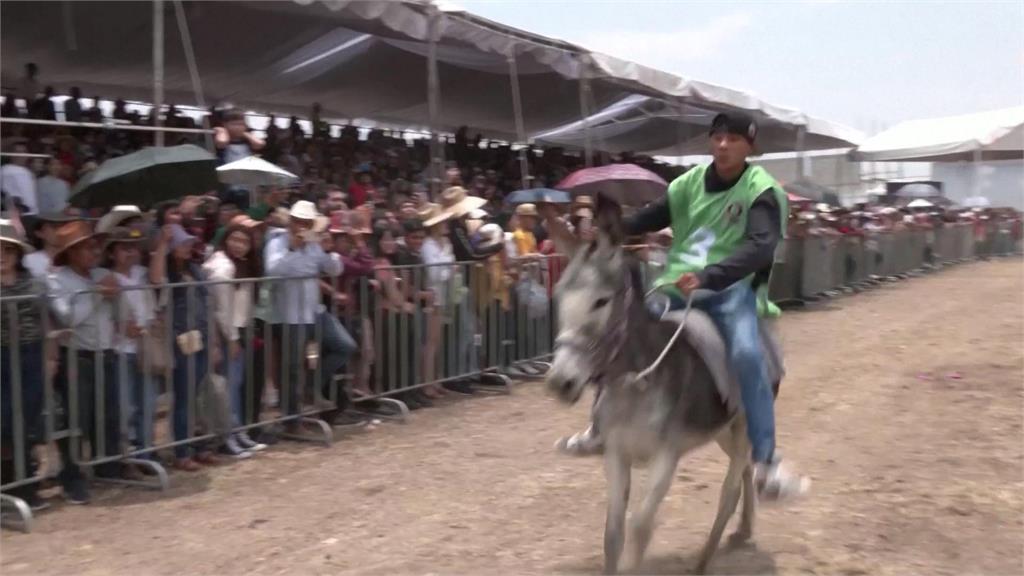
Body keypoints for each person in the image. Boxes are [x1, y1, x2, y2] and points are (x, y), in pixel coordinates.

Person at [554, 112, 810, 502]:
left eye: (735, 139)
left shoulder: (761, 191)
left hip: (730, 290)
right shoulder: (688, 184)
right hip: (675, 285)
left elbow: (760, 247)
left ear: (749, 148)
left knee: (745, 353)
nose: (724, 145)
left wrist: (711, 276)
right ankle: (598, 428)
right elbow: (648, 218)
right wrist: (606, 233)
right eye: (718, 137)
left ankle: (766, 461)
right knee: (620, 332)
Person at [47, 220, 127, 503]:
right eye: (84, 248)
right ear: (70, 252)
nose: (92, 253)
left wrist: (116, 296)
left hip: (105, 353)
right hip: (76, 357)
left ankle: (108, 465)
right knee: (74, 418)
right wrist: (95, 293)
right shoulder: (57, 281)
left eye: (93, 247)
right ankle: (71, 477)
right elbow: (68, 319)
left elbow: (117, 313)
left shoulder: (103, 274)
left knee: (108, 413)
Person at [263, 200, 347, 424]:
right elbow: (273, 270)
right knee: (292, 367)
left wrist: (329, 250)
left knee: (345, 346)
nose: (302, 226)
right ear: (291, 221)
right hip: (290, 314)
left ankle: (312, 386)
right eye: (298, 221)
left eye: (306, 222)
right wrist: (292, 249)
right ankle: (292, 419)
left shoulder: (315, 244)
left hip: (314, 311)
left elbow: (334, 269)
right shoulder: (277, 242)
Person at [150, 223, 219, 471]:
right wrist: (161, 244)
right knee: (183, 396)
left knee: (197, 395)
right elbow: (156, 279)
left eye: (189, 242)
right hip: (180, 339)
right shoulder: (167, 271)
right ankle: (181, 450)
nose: (188, 246)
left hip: (199, 335)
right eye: (183, 243)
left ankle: (199, 445)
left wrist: (213, 341)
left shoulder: (194, 269)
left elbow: (206, 305)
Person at [203, 221, 267, 455]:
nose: (240, 246)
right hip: (225, 332)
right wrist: (229, 339)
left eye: (245, 241)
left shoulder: (241, 265)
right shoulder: (222, 268)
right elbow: (220, 309)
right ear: (225, 240)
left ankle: (237, 431)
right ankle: (228, 436)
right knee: (228, 387)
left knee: (235, 385)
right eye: (235, 240)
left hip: (238, 329)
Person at [0, 219, 48, 510]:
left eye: (7, 250)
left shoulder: (32, 283)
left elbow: (45, 322)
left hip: (30, 355)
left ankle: (26, 486)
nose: (2, 256)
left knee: (26, 422)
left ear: (17, 255)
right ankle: (8, 485)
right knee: (3, 422)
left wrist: (51, 356)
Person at [104, 226, 157, 463]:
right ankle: (127, 454)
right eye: (124, 249)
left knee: (148, 402)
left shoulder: (143, 273)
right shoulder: (105, 277)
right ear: (112, 252)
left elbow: (158, 280)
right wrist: (121, 325)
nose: (130, 253)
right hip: (120, 349)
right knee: (125, 406)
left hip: (145, 346)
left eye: (133, 248)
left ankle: (145, 450)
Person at [215, 109, 265, 210]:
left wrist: (245, 133)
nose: (238, 127)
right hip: (227, 187)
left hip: (246, 187)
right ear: (225, 124)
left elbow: (260, 144)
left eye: (241, 124)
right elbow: (221, 142)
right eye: (234, 124)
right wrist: (222, 130)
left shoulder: (247, 142)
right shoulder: (224, 138)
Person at [23, 212, 78, 278]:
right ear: (39, 233)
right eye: (54, 227)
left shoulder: (79, 258)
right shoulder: (29, 261)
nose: (60, 231)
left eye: (64, 226)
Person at [1, 143, 38, 215]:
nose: (21, 155)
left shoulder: (28, 171)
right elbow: (5, 194)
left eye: (23, 152)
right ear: (11, 154)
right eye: (17, 152)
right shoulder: (5, 170)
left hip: (32, 214)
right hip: (18, 215)